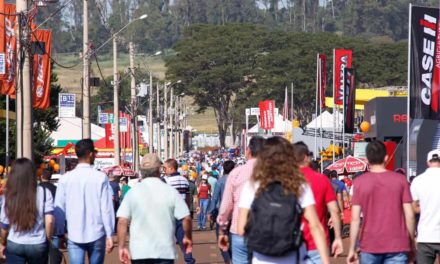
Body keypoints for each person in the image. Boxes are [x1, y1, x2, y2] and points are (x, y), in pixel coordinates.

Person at [236, 137, 330, 264]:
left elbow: (241, 229)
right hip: (292, 255)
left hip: (261, 257)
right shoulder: (299, 185)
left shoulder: (253, 185)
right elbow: (315, 226)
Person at [347, 140, 415, 264]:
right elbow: (409, 215)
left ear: (367, 159)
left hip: (370, 244)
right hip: (397, 243)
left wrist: (352, 248)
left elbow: (355, 219)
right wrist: (411, 243)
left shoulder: (359, 183)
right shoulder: (401, 181)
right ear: (386, 158)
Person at [117, 154, 193, 264]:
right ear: (159, 170)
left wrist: (121, 246)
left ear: (142, 171)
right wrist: (187, 237)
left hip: (139, 252)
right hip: (164, 252)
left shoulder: (133, 192)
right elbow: (186, 218)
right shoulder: (170, 191)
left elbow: (122, 221)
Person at [54, 139, 115, 264]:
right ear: (90, 154)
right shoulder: (100, 177)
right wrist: (109, 234)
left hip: (74, 233)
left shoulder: (65, 179)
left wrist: (60, 233)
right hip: (97, 233)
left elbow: (59, 208)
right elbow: (106, 209)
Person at [217, 136, 266, 264]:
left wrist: (222, 230)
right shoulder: (274, 173)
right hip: (267, 231)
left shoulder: (236, 173)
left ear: (248, 151)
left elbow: (227, 206)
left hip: (240, 230)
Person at [293, 142, 343, 263]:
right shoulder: (321, 179)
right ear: (306, 157)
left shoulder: (287, 180)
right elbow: (334, 210)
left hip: (292, 245)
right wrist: (337, 237)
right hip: (318, 244)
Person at [0, 158, 54, 263]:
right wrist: (47, 238)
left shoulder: (9, 195)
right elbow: (50, 221)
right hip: (38, 242)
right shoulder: (44, 192)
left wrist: (3, 242)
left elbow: (4, 225)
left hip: (15, 242)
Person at [163, 159, 195, 264]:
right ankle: (189, 260)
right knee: (184, 239)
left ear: (171, 168)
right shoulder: (184, 180)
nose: (164, 170)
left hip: (170, 215)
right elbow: (188, 198)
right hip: (182, 214)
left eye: (165, 168)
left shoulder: (166, 181)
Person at [410, 149, 440, 264]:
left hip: (425, 235)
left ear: (428, 162)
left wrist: (425, 208)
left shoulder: (418, 181)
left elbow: (413, 209)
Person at [207, 160, 235, 264]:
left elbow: (214, 199)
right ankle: (233, 259)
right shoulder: (237, 181)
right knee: (234, 240)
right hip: (235, 214)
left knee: (222, 238)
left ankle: (227, 259)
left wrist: (209, 212)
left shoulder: (220, 181)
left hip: (222, 214)